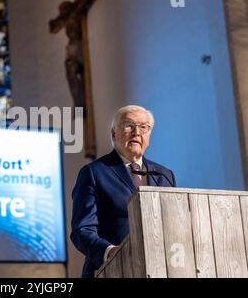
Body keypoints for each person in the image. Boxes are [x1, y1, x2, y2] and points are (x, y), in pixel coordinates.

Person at [70, 105, 176, 278]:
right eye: (129, 125)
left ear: (149, 135)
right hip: (110, 271)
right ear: (113, 134)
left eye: (144, 127)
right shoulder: (94, 173)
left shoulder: (164, 175)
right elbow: (82, 231)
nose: (137, 132)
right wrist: (110, 252)